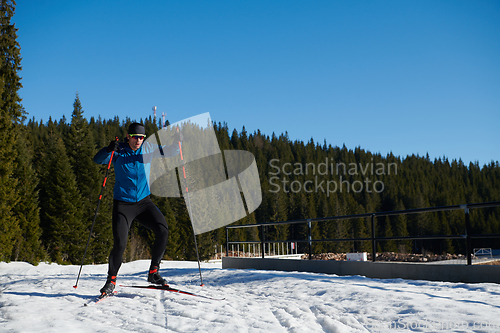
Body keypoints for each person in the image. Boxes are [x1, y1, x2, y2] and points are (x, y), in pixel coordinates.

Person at [93, 122, 182, 295]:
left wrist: (177, 142)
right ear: (128, 136)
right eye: (135, 137)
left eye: (141, 137)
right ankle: (111, 280)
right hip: (123, 204)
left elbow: (170, 152)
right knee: (120, 243)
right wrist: (108, 149)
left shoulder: (148, 148)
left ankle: (153, 273)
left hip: (143, 202)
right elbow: (97, 160)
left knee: (162, 230)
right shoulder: (119, 150)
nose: (138, 141)